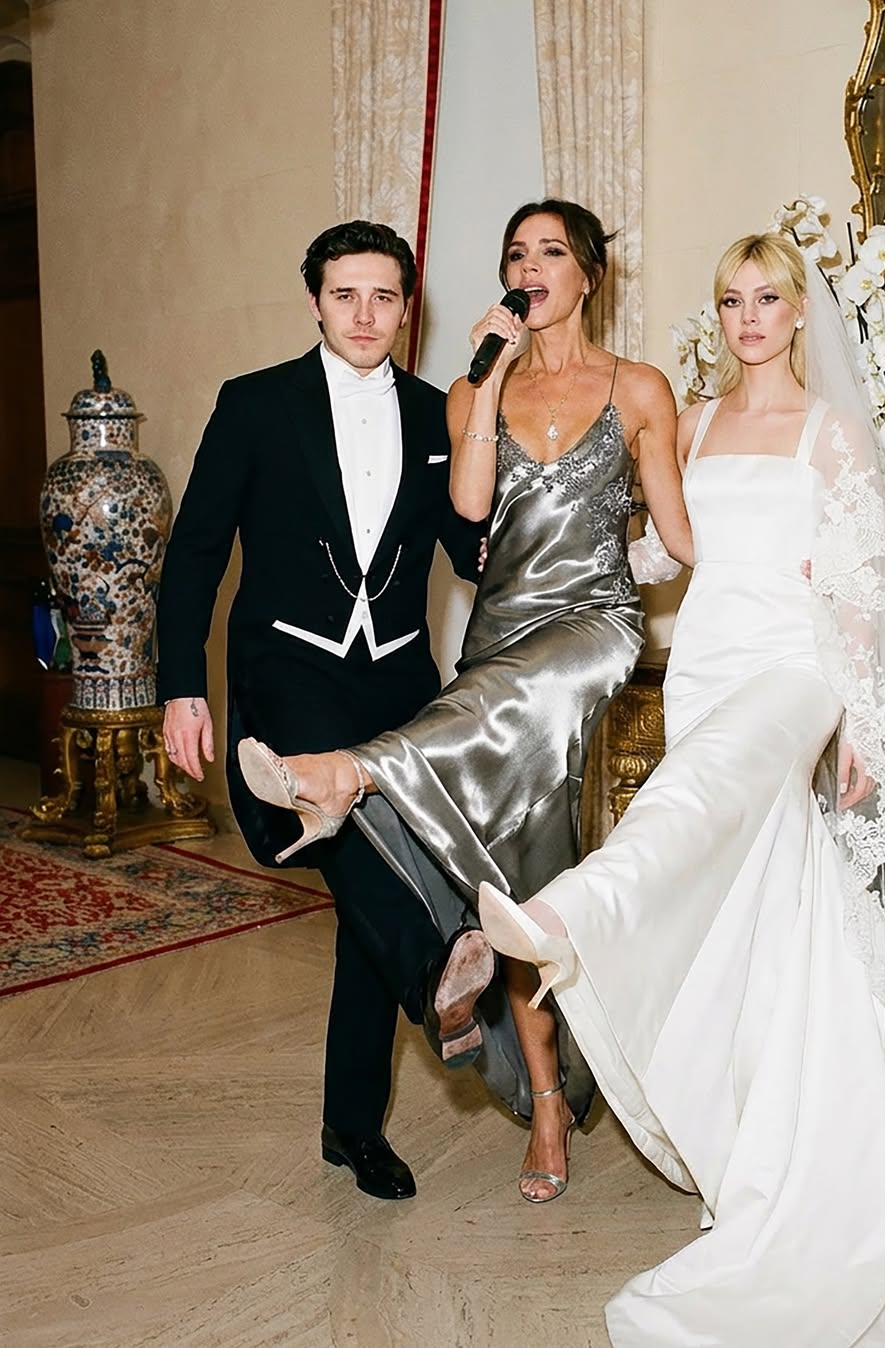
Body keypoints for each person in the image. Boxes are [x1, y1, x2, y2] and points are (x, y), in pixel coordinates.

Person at [478, 233, 885, 1343]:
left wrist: (861, 714)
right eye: (731, 300)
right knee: (760, 910)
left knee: (699, 794)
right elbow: (666, 550)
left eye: (767, 298)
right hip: (705, 666)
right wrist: (567, 551)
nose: (748, 316)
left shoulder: (830, 431)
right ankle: (777, 1145)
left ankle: (569, 912)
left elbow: (864, 588)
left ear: (801, 313)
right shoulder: (695, 420)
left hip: (794, 671)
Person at [237, 198, 694, 1204]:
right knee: (516, 882)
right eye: (516, 254)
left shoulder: (640, 386)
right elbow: (472, 507)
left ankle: (353, 772)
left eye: (551, 252)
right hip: (500, 646)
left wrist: (768, 569)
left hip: (589, 629)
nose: (530, 268)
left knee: (470, 779)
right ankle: (548, 1099)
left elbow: (680, 534)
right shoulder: (468, 388)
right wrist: (486, 381)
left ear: (588, 274)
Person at [155, 219, 493, 1203]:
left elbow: (468, 552)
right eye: (346, 294)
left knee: (371, 891)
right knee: (344, 830)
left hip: (396, 677)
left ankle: (352, 1125)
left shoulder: (435, 414)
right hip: (289, 671)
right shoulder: (256, 404)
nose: (364, 314)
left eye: (384, 296)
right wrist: (181, 684)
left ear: (407, 307)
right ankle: (438, 971)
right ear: (315, 300)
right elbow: (197, 550)